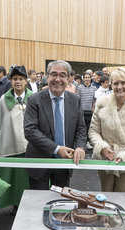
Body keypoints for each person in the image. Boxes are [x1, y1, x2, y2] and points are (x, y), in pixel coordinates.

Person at [24, 60, 87, 190]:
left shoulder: (75, 100)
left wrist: (80, 147)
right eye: (53, 74)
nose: (57, 79)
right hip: (39, 160)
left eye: (62, 75)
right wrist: (56, 148)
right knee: (39, 204)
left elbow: (81, 128)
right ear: (47, 76)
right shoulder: (34, 100)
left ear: (69, 79)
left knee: (61, 203)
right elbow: (30, 131)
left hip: (64, 162)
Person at [89, 67, 125, 192]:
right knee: (106, 194)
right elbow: (94, 130)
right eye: (116, 83)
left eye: (123, 83)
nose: (119, 87)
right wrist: (101, 146)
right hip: (106, 157)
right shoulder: (102, 103)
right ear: (111, 85)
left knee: (122, 196)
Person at [0, 65, 32, 216]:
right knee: (15, 180)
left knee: (29, 178)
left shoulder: (34, 98)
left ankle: (30, 203)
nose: (18, 82)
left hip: (30, 146)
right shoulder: (4, 99)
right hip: (11, 145)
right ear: (10, 80)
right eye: (15, 79)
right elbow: (1, 120)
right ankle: (15, 203)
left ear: (26, 81)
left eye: (21, 79)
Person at [77, 72, 97, 150]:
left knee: (89, 127)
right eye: (86, 77)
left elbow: (94, 100)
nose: (87, 79)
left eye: (88, 77)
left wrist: (93, 108)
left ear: (90, 78)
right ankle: (82, 142)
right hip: (82, 111)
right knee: (82, 127)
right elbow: (78, 99)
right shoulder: (79, 88)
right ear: (83, 78)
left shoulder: (94, 88)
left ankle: (88, 142)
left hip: (90, 111)